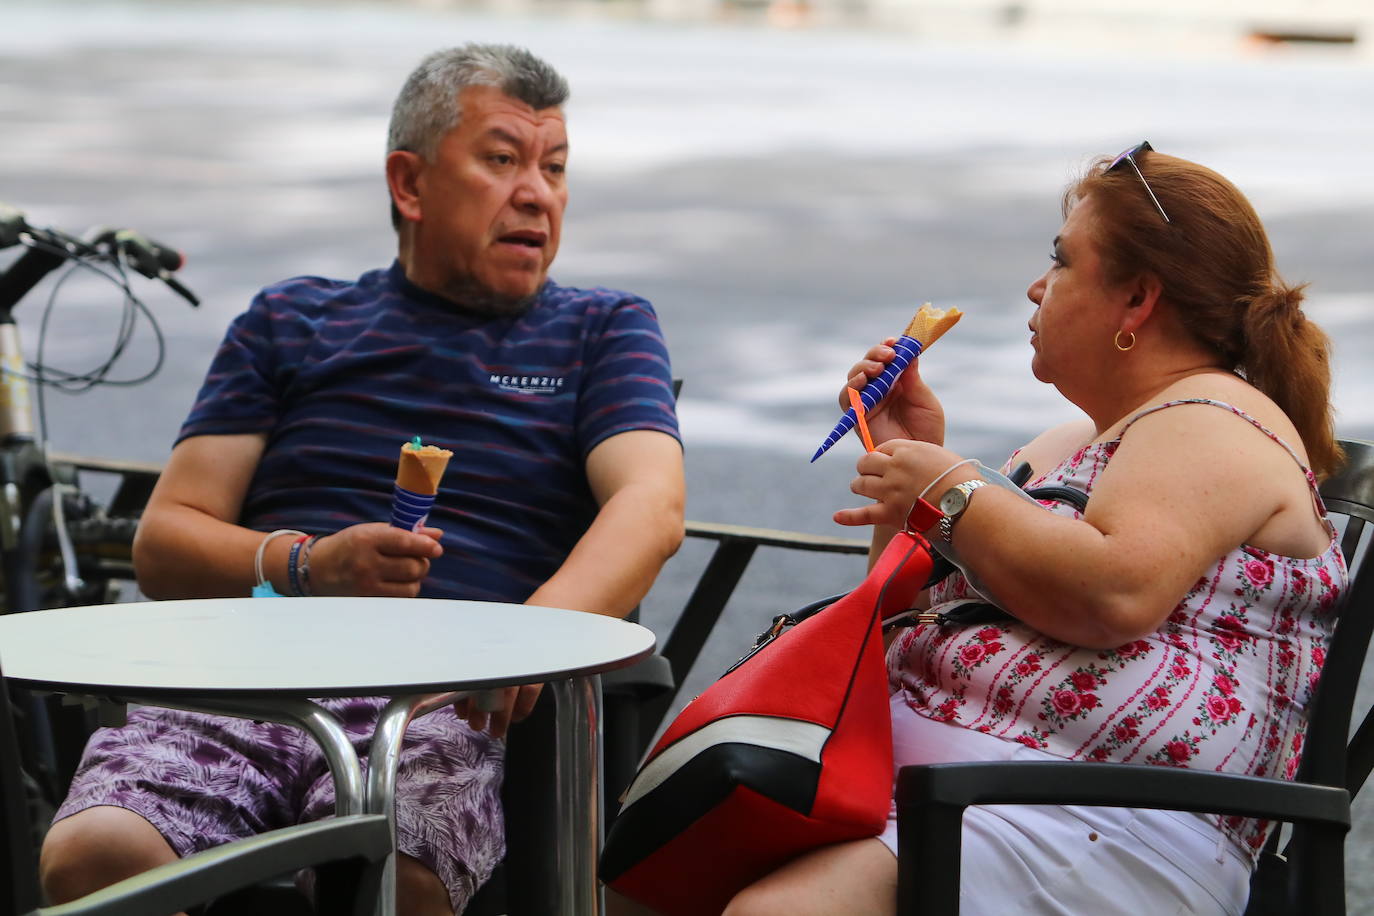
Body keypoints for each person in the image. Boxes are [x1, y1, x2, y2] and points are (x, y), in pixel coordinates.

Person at [39, 43, 685, 916]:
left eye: (555, 167)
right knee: (95, 856)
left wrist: (529, 645)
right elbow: (166, 542)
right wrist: (309, 564)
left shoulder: (602, 330)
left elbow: (650, 506)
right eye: (501, 160)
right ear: (409, 184)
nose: (538, 192)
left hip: (451, 701)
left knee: (395, 875)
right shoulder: (291, 320)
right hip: (250, 673)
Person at [724, 143, 1346, 914]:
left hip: (1098, 825)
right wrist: (907, 466)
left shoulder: (1216, 419)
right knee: (664, 857)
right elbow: (899, 611)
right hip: (960, 793)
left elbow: (1111, 595)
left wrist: (948, 488)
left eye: (1061, 261)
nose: (1035, 285)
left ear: (1137, 301)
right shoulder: (1076, 440)